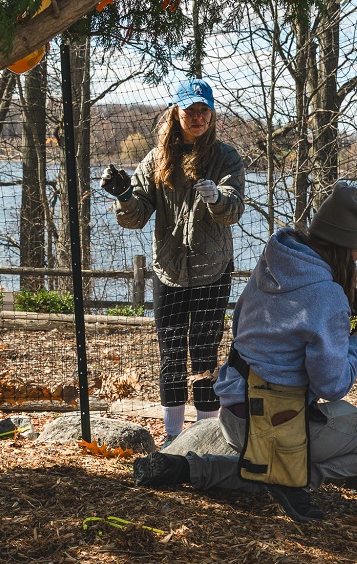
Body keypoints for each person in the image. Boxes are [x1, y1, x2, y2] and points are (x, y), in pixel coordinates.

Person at [132, 182, 357, 523]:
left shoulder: (273, 261)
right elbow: (332, 385)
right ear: (346, 247)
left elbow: (248, 325)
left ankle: (186, 468)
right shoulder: (328, 295)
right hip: (280, 422)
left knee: (266, 463)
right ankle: (296, 480)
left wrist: (342, 304)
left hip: (233, 414)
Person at [100, 78, 245, 445]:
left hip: (213, 269)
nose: (198, 117)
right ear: (175, 113)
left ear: (212, 114)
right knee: (170, 351)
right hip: (169, 270)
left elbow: (233, 209)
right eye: (190, 110)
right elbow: (136, 216)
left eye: (204, 110)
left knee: (205, 351)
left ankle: (208, 433)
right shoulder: (156, 160)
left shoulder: (225, 157)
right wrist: (123, 195)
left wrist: (217, 198)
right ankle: (172, 435)